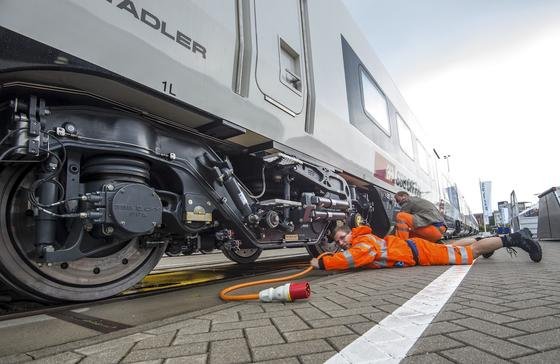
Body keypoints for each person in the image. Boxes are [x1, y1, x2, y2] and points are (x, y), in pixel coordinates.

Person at [310, 225, 541, 271]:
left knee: (471, 253)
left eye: (341, 238)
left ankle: (514, 239)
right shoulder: (365, 237)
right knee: (451, 246)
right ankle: (495, 239)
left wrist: (323, 262)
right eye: (338, 242)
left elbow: (352, 258)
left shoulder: (363, 242)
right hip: (417, 250)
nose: (340, 244)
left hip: (421, 253)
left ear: (350, 231)